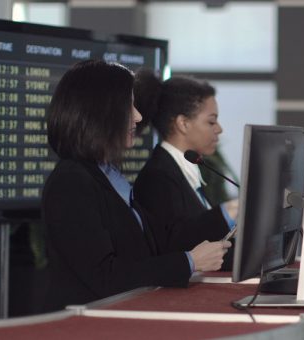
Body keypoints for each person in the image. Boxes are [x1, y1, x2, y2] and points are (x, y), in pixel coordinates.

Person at [42, 60, 231, 311]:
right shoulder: (71, 182)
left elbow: (158, 245)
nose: (139, 116)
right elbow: (105, 277)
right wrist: (189, 262)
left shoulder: (108, 175)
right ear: (100, 111)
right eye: (129, 105)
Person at [132, 70, 237, 269]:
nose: (219, 129)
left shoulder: (192, 167)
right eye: (211, 121)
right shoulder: (156, 177)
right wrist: (228, 213)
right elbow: (176, 246)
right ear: (183, 124)